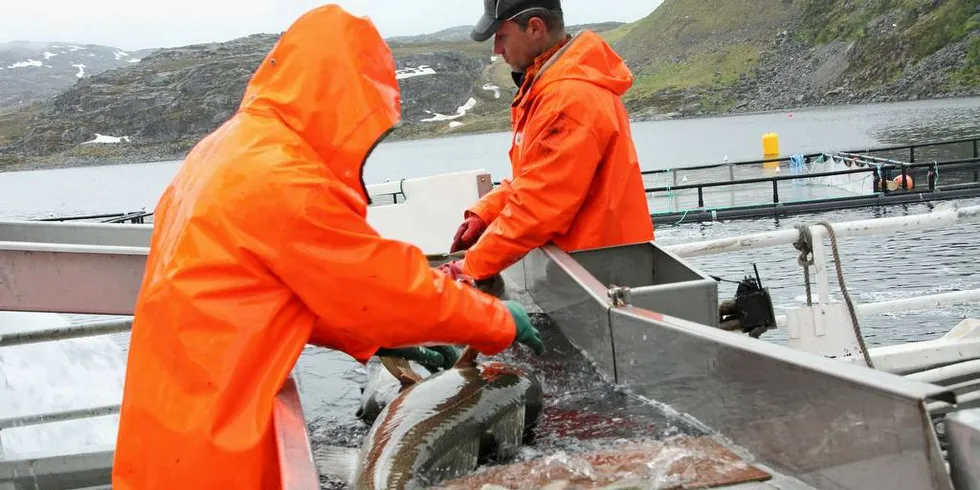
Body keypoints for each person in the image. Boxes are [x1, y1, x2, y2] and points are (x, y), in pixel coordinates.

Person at [110, 5, 544, 490]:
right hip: (217, 451)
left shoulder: (225, 150)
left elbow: (263, 295)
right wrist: (497, 320)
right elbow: (382, 285)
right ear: (347, 99)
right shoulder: (287, 177)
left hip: (164, 436)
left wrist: (376, 339)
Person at [440, 0, 655, 285]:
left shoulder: (568, 98)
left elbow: (539, 205)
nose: (496, 49)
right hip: (584, 265)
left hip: (601, 273)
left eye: (501, 36)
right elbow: (534, 178)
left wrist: (467, 267)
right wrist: (485, 214)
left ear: (534, 27)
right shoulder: (550, 86)